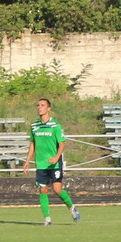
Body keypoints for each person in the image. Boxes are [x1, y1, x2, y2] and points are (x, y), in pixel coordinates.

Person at [26, 97, 80, 226]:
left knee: (57, 190)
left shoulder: (55, 125)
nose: (40, 107)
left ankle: (72, 207)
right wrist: (27, 160)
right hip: (41, 164)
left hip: (54, 163)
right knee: (43, 190)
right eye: (38, 105)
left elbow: (62, 144)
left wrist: (57, 156)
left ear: (48, 108)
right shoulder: (34, 126)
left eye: (43, 105)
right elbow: (32, 144)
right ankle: (47, 219)